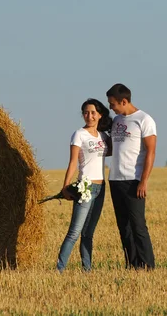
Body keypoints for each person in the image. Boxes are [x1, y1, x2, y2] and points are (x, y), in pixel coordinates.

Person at [56, 98, 112, 272]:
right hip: (85, 186)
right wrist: (65, 187)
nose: (90, 116)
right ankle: (59, 270)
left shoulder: (104, 136)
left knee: (88, 234)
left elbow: (115, 151)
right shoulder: (79, 134)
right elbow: (73, 162)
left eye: (93, 112)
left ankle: (87, 270)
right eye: (86, 113)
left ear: (100, 115)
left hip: (100, 187)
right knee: (74, 232)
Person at [106, 83, 156, 270]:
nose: (111, 107)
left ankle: (148, 265)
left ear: (124, 101)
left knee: (138, 225)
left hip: (133, 179)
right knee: (123, 227)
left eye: (113, 104)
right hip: (115, 179)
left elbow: (151, 152)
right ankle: (132, 265)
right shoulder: (117, 120)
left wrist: (143, 181)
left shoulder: (144, 120)